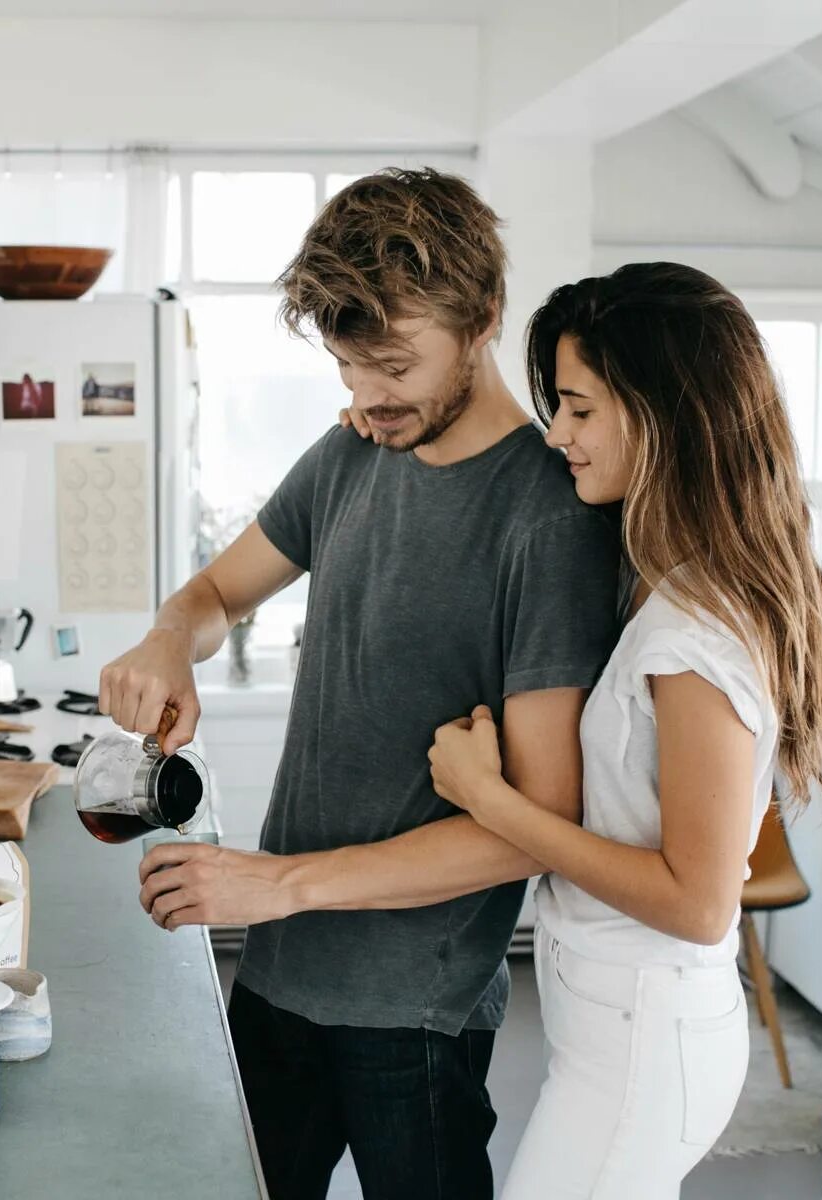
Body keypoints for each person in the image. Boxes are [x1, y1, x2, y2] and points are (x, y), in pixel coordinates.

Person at [97, 168, 621, 1200]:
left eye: (390, 364)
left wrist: (275, 885)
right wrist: (168, 638)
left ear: (481, 320)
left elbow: (534, 822)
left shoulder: (545, 521)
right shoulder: (350, 456)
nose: (364, 399)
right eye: (345, 367)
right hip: (280, 978)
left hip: (411, 1018)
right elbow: (212, 593)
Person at [372, 262, 822, 1197]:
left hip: (644, 1046)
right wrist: (390, 417)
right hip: (616, 1034)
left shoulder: (694, 635)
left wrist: (490, 801)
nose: (559, 435)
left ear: (665, 415)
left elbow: (699, 902)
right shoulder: (667, 581)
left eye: (583, 410)